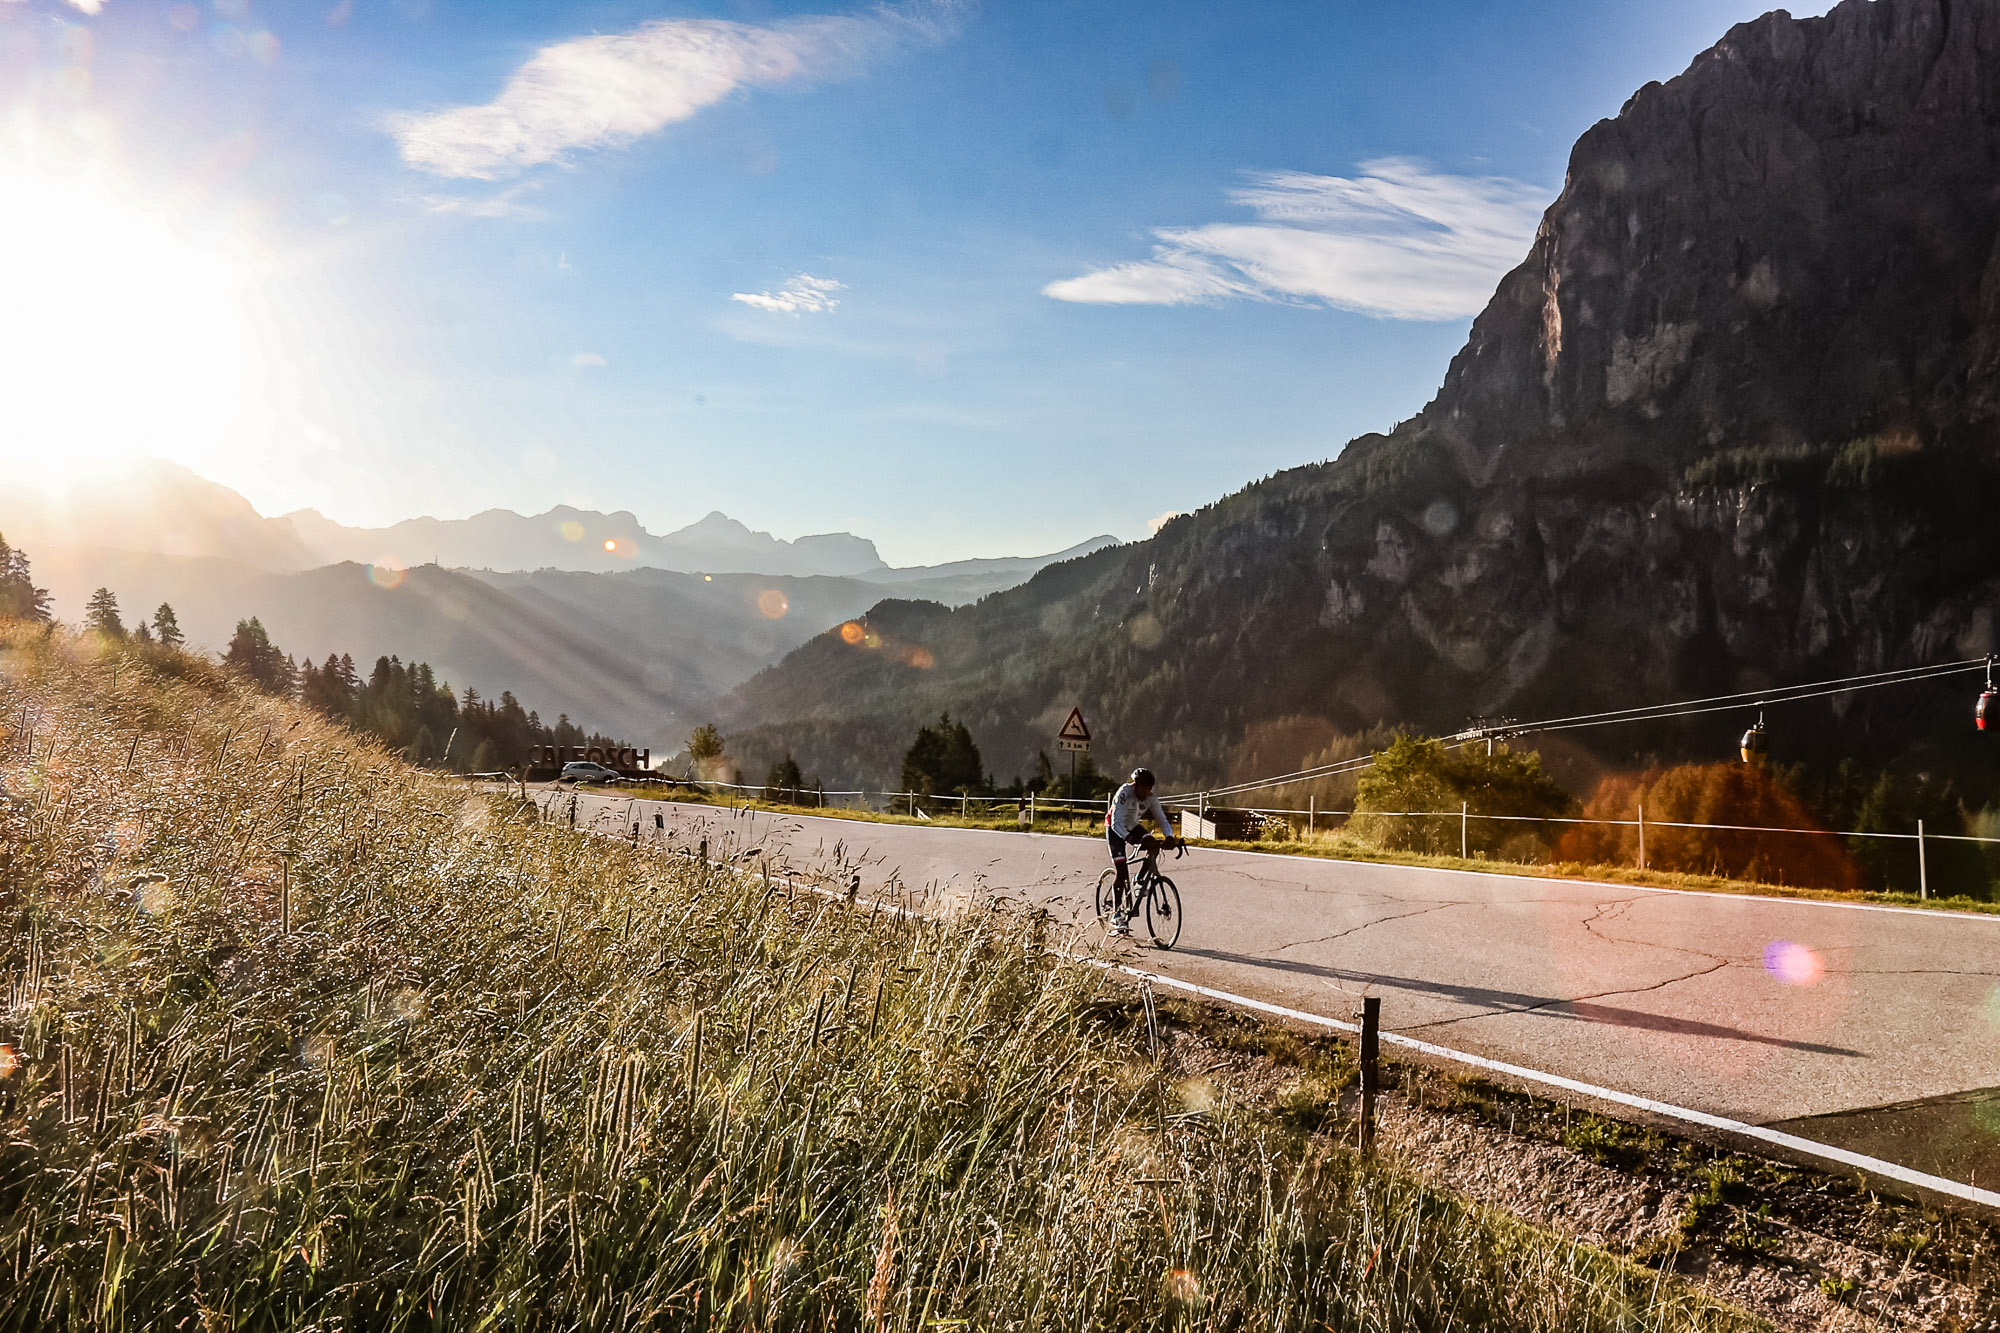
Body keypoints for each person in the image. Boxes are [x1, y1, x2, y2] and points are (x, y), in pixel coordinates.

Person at [1105, 767, 1177, 935]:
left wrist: (1169, 837)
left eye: (1149, 788)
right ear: (1135, 785)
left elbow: (1162, 819)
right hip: (1115, 829)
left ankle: (1138, 880)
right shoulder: (1124, 792)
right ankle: (1116, 915)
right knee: (1122, 873)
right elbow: (1116, 823)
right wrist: (1128, 838)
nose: (1147, 792)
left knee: (1153, 846)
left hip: (1133, 826)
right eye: (1144, 788)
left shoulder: (1151, 798)